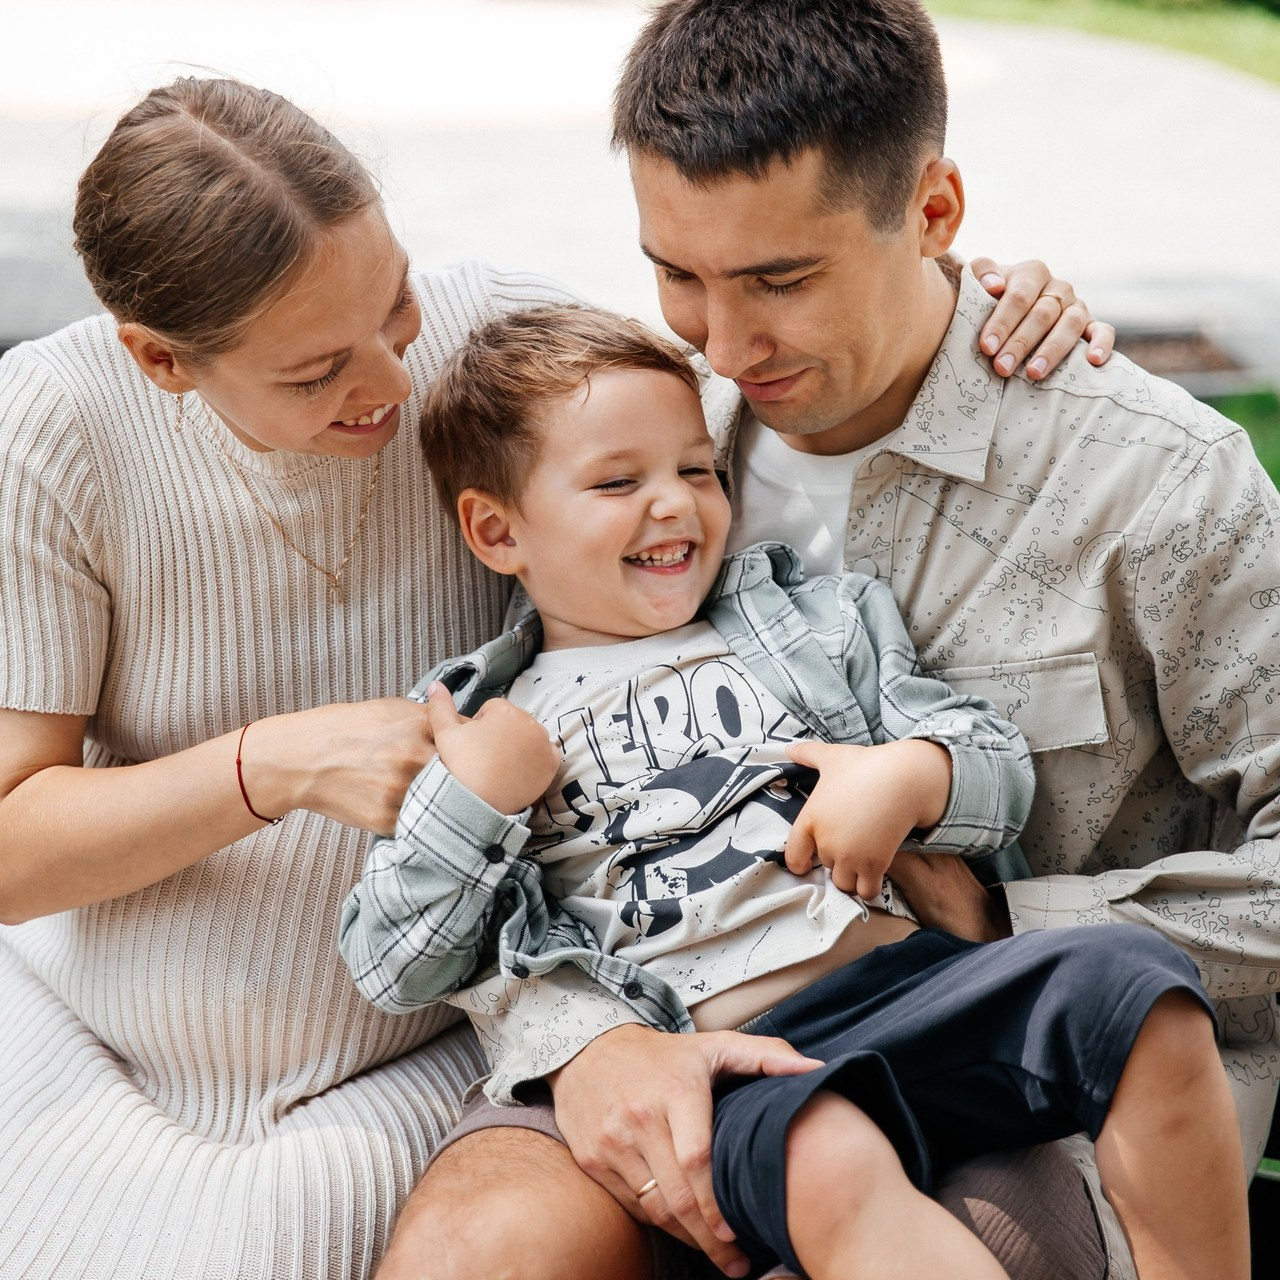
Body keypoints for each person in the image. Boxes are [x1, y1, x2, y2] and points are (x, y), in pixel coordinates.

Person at [0, 74, 1101, 1279]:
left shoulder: (483, 336)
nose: (389, 383)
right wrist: (268, 768)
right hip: (113, 1060)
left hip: (425, 1051)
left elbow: (713, 405)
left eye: (395, 303)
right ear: (164, 361)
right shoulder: (57, 427)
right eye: (317, 372)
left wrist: (960, 300)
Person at [384, 3, 1280, 1280]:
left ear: (932, 212)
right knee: (476, 1252)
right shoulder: (639, 445)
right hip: (667, 1013)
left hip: (1022, 1066)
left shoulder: (1151, 484)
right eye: (675, 272)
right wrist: (583, 1035)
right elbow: (528, 806)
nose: (722, 343)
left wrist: (1012, 922)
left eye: (779, 280)